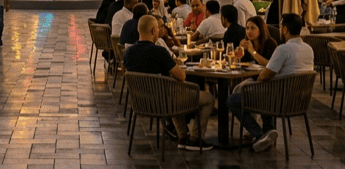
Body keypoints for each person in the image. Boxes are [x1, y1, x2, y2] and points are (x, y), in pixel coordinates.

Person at [123, 14, 215, 151]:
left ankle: (183, 137)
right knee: (207, 98)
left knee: (172, 91)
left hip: (141, 102)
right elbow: (181, 76)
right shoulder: (159, 51)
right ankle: (196, 139)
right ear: (154, 31)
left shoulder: (128, 52)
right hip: (164, 103)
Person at [228, 13, 314, 153]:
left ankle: (258, 134)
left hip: (277, 100)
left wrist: (256, 81)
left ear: (285, 29)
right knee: (264, 90)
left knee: (232, 100)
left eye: (280, 26)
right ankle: (268, 131)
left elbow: (265, 75)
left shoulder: (282, 49)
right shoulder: (309, 49)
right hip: (299, 101)